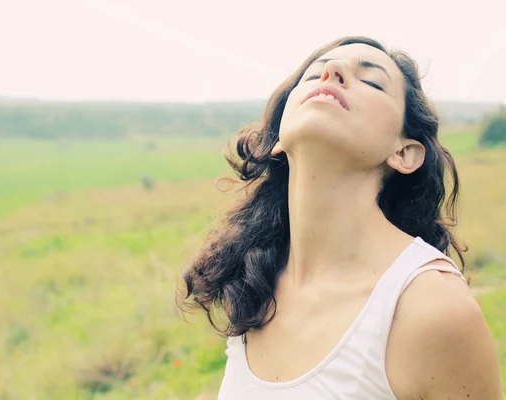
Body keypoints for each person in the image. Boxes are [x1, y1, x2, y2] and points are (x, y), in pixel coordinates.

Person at [177, 36, 503, 399]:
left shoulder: (431, 307)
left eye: (372, 81)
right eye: (315, 75)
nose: (331, 73)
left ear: (404, 153)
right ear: (277, 139)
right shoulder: (257, 283)